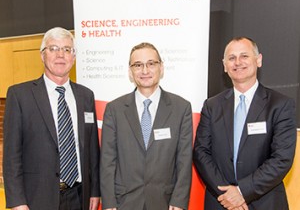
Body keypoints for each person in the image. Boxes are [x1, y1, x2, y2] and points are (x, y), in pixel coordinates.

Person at [193, 37, 297, 210]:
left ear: (258, 60)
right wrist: (228, 195)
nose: (238, 62)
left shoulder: (280, 105)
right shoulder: (211, 106)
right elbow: (201, 152)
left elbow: (282, 158)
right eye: (231, 58)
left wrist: (242, 192)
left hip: (265, 202)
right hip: (221, 202)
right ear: (225, 65)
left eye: (244, 56)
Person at [3, 27, 100, 210]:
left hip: (79, 196)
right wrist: (17, 202)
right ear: (42, 55)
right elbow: (11, 156)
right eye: (53, 48)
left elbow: (92, 150)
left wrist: (95, 190)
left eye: (67, 49)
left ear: (73, 57)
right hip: (36, 199)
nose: (60, 55)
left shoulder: (86, 96)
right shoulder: (20, 95)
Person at [100, 42, 193, 210]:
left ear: (161, 68)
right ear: (130, 71)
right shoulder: (114, 109)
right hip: (124, 203)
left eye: (151, 63)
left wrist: (179, 200)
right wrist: (109, 202)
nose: (145, 71)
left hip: (165, 202)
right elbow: (107, 160)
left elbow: (184, 160)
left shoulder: (181, 108)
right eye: (138, 65)